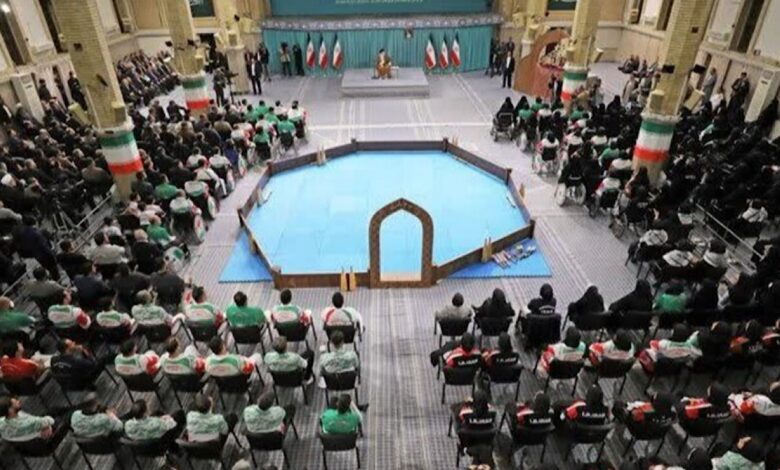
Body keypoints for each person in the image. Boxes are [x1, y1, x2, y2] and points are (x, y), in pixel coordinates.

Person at [0, 395, 67, 444]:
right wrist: (46, 427)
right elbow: (51, 421)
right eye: (16, 403)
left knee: (53, 410)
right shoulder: (28, 423)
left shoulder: (2, 422)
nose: (19, 401)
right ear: (10, 410)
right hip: (41, 438)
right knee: (66, 416)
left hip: (30, 436)